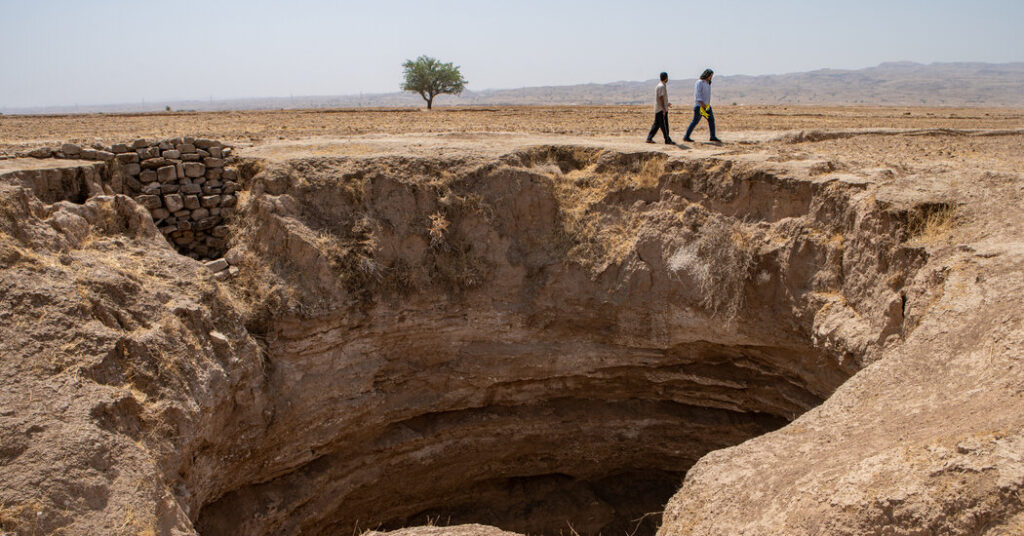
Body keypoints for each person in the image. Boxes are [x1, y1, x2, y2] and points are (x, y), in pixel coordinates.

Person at [683, 68, 721, 143]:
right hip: (700, 106)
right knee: (695, 121)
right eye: (710, 75)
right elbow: (698, 94)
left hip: (707, 106)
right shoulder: (700, 82)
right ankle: (686, 136)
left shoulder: (708, 83)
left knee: (711, 120)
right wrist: (702, 104)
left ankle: (712, 136)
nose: (711, 77)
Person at [646, 72, 674, 144]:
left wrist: (666, 104)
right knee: (664, 125)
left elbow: (661, 98)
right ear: (666, 78)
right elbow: (661, 97)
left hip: (658, 108)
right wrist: (663, 108)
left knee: (656, 124)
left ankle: (649, 138)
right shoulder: (661, 86)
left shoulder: (660, 85)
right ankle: (667, 140)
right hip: (661, 109)